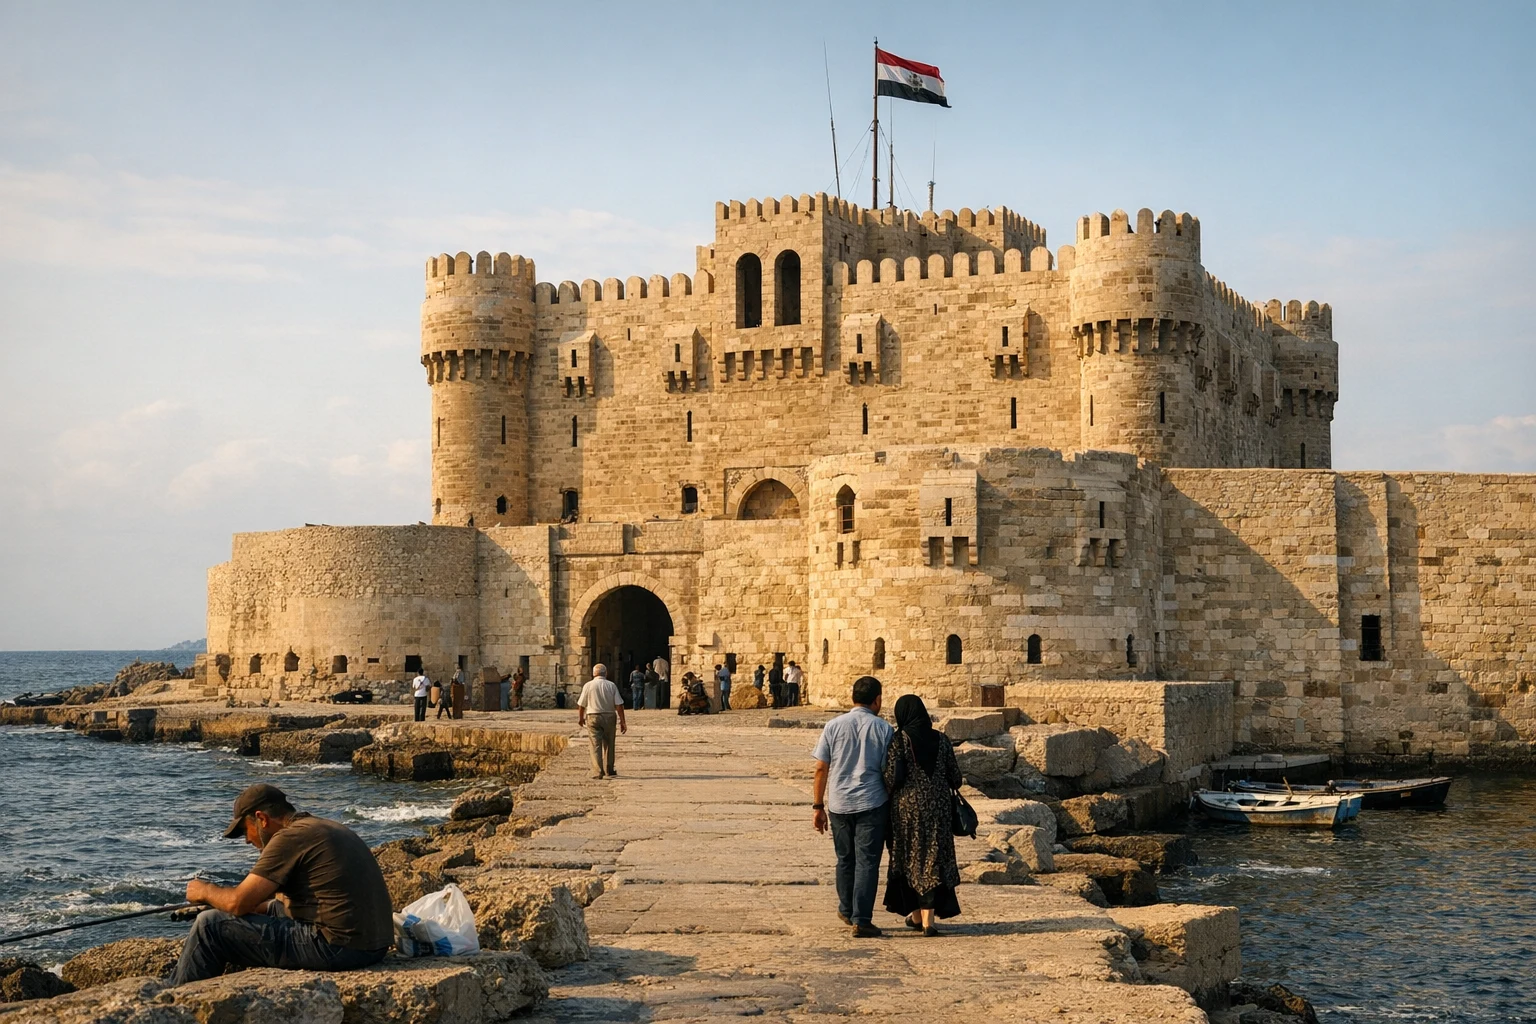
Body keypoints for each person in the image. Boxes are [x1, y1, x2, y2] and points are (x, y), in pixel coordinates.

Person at [171, 784, 391, 986]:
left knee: (209, 926)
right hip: (374, 946)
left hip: (337, 948)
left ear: (261, 819)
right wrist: (238, 906)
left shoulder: (289, 837)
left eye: (245, 830)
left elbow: (237, 903)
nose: (247, 840)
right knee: (272, 908)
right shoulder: (323, 827)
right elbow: (279, 904)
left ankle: (174, 1003)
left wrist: (205, 891)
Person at [811, 675, 893, 938]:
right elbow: (889, 770)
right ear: (877, 700)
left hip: (839, 804)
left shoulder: (833, 726)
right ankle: (862, 919)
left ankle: (847, 909)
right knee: (867, 862)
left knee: (845, 859)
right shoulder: (884, 729)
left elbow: (821, 768)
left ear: (852, 698)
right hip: (872, 803)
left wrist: (817, 806)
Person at [882, 694, 963, 936]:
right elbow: (956, 777)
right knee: (933, 857)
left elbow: (891, 778)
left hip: (907, 810)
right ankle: (924, 919)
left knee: (909, 858)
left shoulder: (899, 740)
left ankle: (922, 917)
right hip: (938, 810)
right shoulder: (942, 740)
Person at [576, 663, 626, 779]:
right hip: (609, 716)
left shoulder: (588, 685)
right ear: (606, 673)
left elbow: (581, 705)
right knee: (609, 743)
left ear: (594, 674)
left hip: (593, 715)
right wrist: (623, 721)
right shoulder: (611, 685)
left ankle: (598, 771)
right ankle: (609, 769)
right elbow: (619, 705)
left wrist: (581, 718)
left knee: (595, 744)